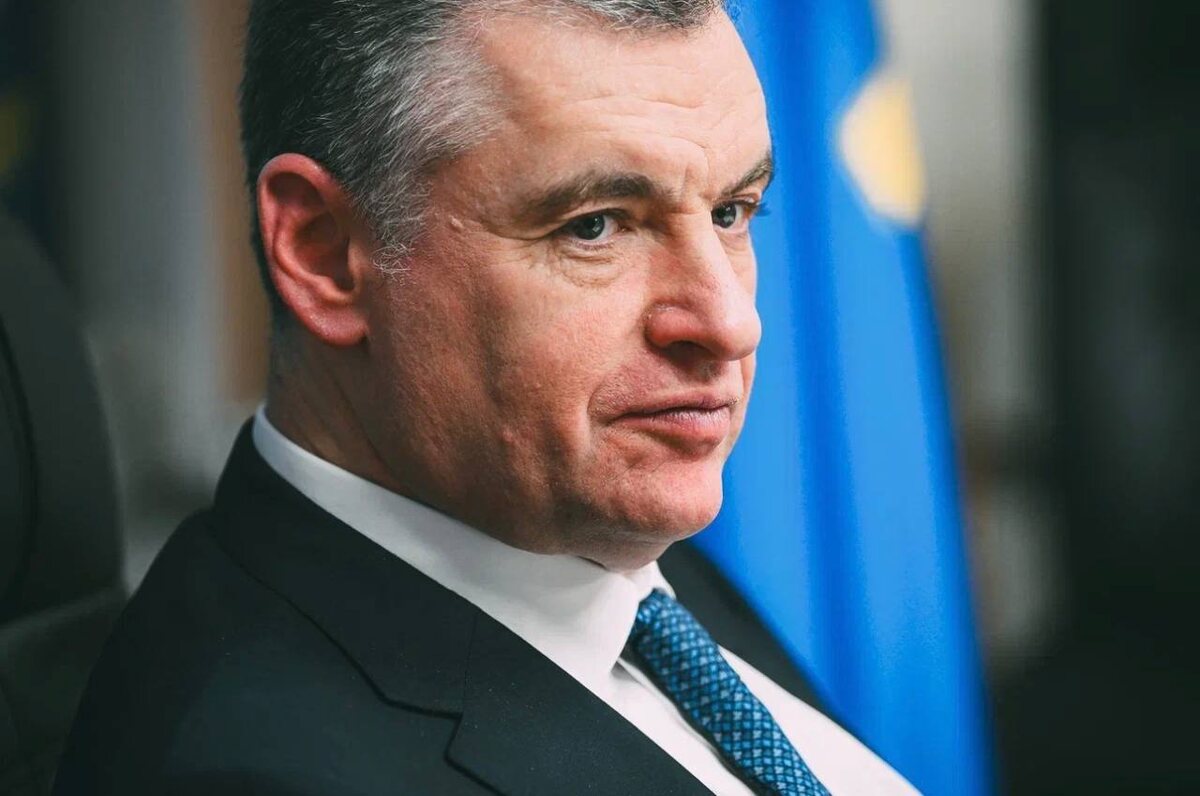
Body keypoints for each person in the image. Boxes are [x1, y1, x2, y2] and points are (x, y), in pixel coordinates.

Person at [55, 1, 918, 793]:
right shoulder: (254, 770)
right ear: (324, 254)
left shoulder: (582, 519)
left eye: (732, 212)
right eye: (595, 225)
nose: (730, 323)